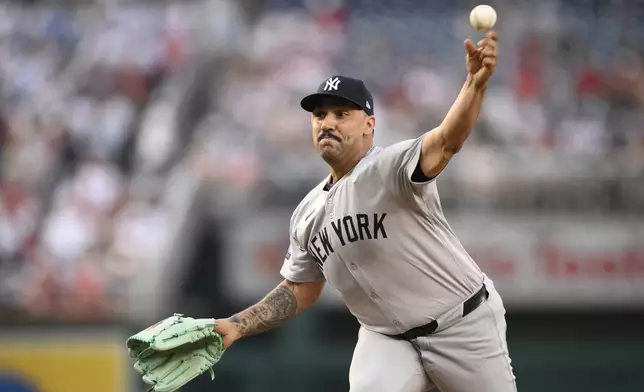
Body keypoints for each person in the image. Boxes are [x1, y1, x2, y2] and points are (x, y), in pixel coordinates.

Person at [214, 31, 516, 392]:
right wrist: (237, 324)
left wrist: (474, 85)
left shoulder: (390, 167)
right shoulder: (307, 212)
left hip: (463, 324)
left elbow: (449, 139)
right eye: (320, 115)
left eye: (342, 113)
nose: (327, 122)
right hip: (387, 340)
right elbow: (300, 290)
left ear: (369, 125)